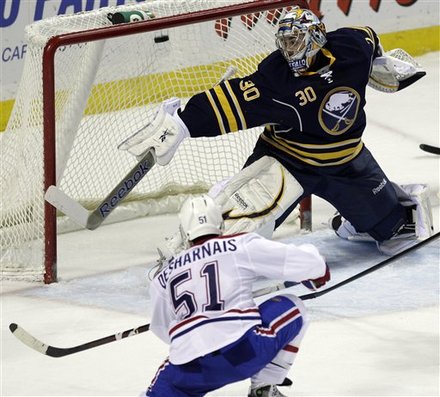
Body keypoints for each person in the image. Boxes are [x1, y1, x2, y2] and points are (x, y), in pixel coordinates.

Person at [119, 5, 433, 256]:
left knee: (396, 230)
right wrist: (183, 123)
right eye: (284, 42)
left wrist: (381, 61)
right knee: (231, 245)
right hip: (288, 163)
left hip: (349, 162)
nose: (288, 49)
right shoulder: (276, 78)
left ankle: (359, 220)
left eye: (294, 40)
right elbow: (229, 102)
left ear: (314, 37)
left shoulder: (353, 47)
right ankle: (192, 250)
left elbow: (370, 37)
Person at [144, 194, 330, 397]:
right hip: (243, 354)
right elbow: (309, 263)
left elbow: (162, 328)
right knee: (295, 308)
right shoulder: (239, 245)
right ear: (220, 224)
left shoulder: (163, 277)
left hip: (191, 367)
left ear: (184, 232)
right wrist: (317, 272)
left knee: (161, 388)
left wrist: (198, 338)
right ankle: (263, 389)